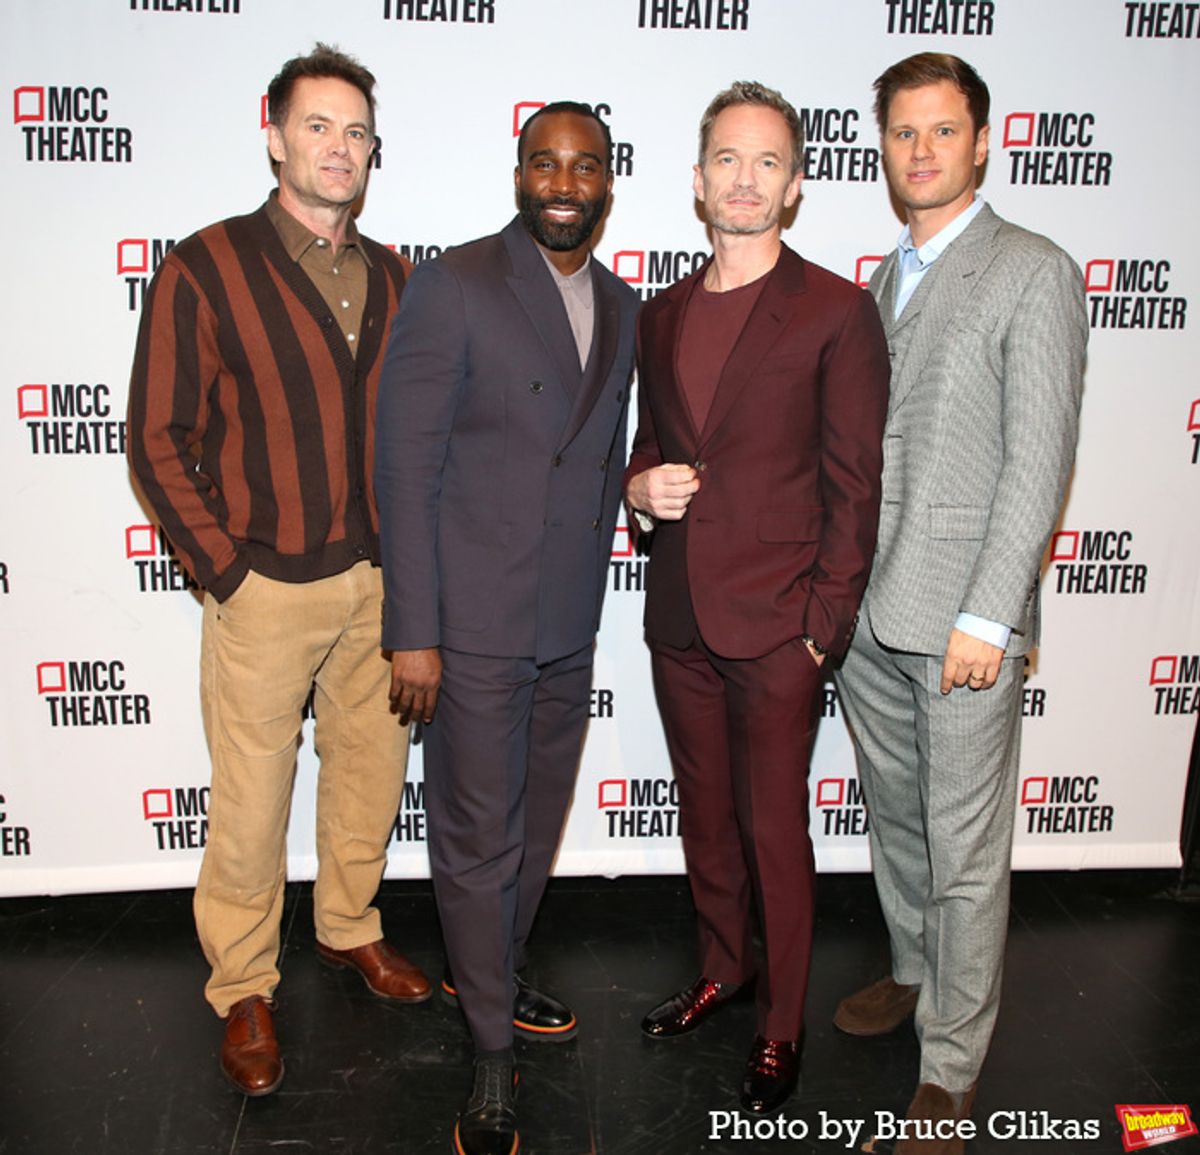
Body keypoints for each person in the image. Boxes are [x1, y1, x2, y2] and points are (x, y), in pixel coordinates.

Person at [126, 44, 429, 1098]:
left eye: (355, 133)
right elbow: (159, 437)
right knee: (251, 798)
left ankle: (349, 928)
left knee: (370, 773)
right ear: (274, 134)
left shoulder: (396, 275)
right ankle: (244, 984)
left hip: (381, 582)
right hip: (264, 587)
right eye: (317, 127)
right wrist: (226, 572)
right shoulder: (204, 266)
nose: (337, 148)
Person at [831, 53, 1086, 1153]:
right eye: (902, 133)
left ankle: (950, 1064)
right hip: (869, 621)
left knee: (967, 845)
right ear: (881, 147)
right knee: (899, 820)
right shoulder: (881, 283)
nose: (922, 151)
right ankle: (913, 970)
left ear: (983, 142)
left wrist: (991, 614)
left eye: (943, 132)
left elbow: (1039, 457)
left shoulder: (1032, 270)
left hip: (963, 625)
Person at [374, 101, 638, 1155]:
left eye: (586, 167)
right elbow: (407, 465)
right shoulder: (457, 284)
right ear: (519, 171)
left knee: (532, 829)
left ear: (609, 181)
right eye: (547, 163)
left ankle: (494, 967)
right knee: (478, 839)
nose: (564, 184)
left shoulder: (621, 304)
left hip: (568, 618)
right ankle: (490, 1049)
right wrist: (414, 630)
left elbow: (599, 457)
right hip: (472, 623)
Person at [624, 80, 890, 1115]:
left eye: (767, 162)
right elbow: (654, 445)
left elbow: (853, 486)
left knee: (775, 826)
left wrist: (822, 630)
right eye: (727, 160)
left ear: (796, 186)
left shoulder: (834, 310)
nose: (745, 178)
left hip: (781, 626)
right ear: (697, 183)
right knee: (706, 815)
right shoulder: (661, 314)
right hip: (680, 613)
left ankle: (781, 1025)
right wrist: (638, 488)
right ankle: (724, 970)